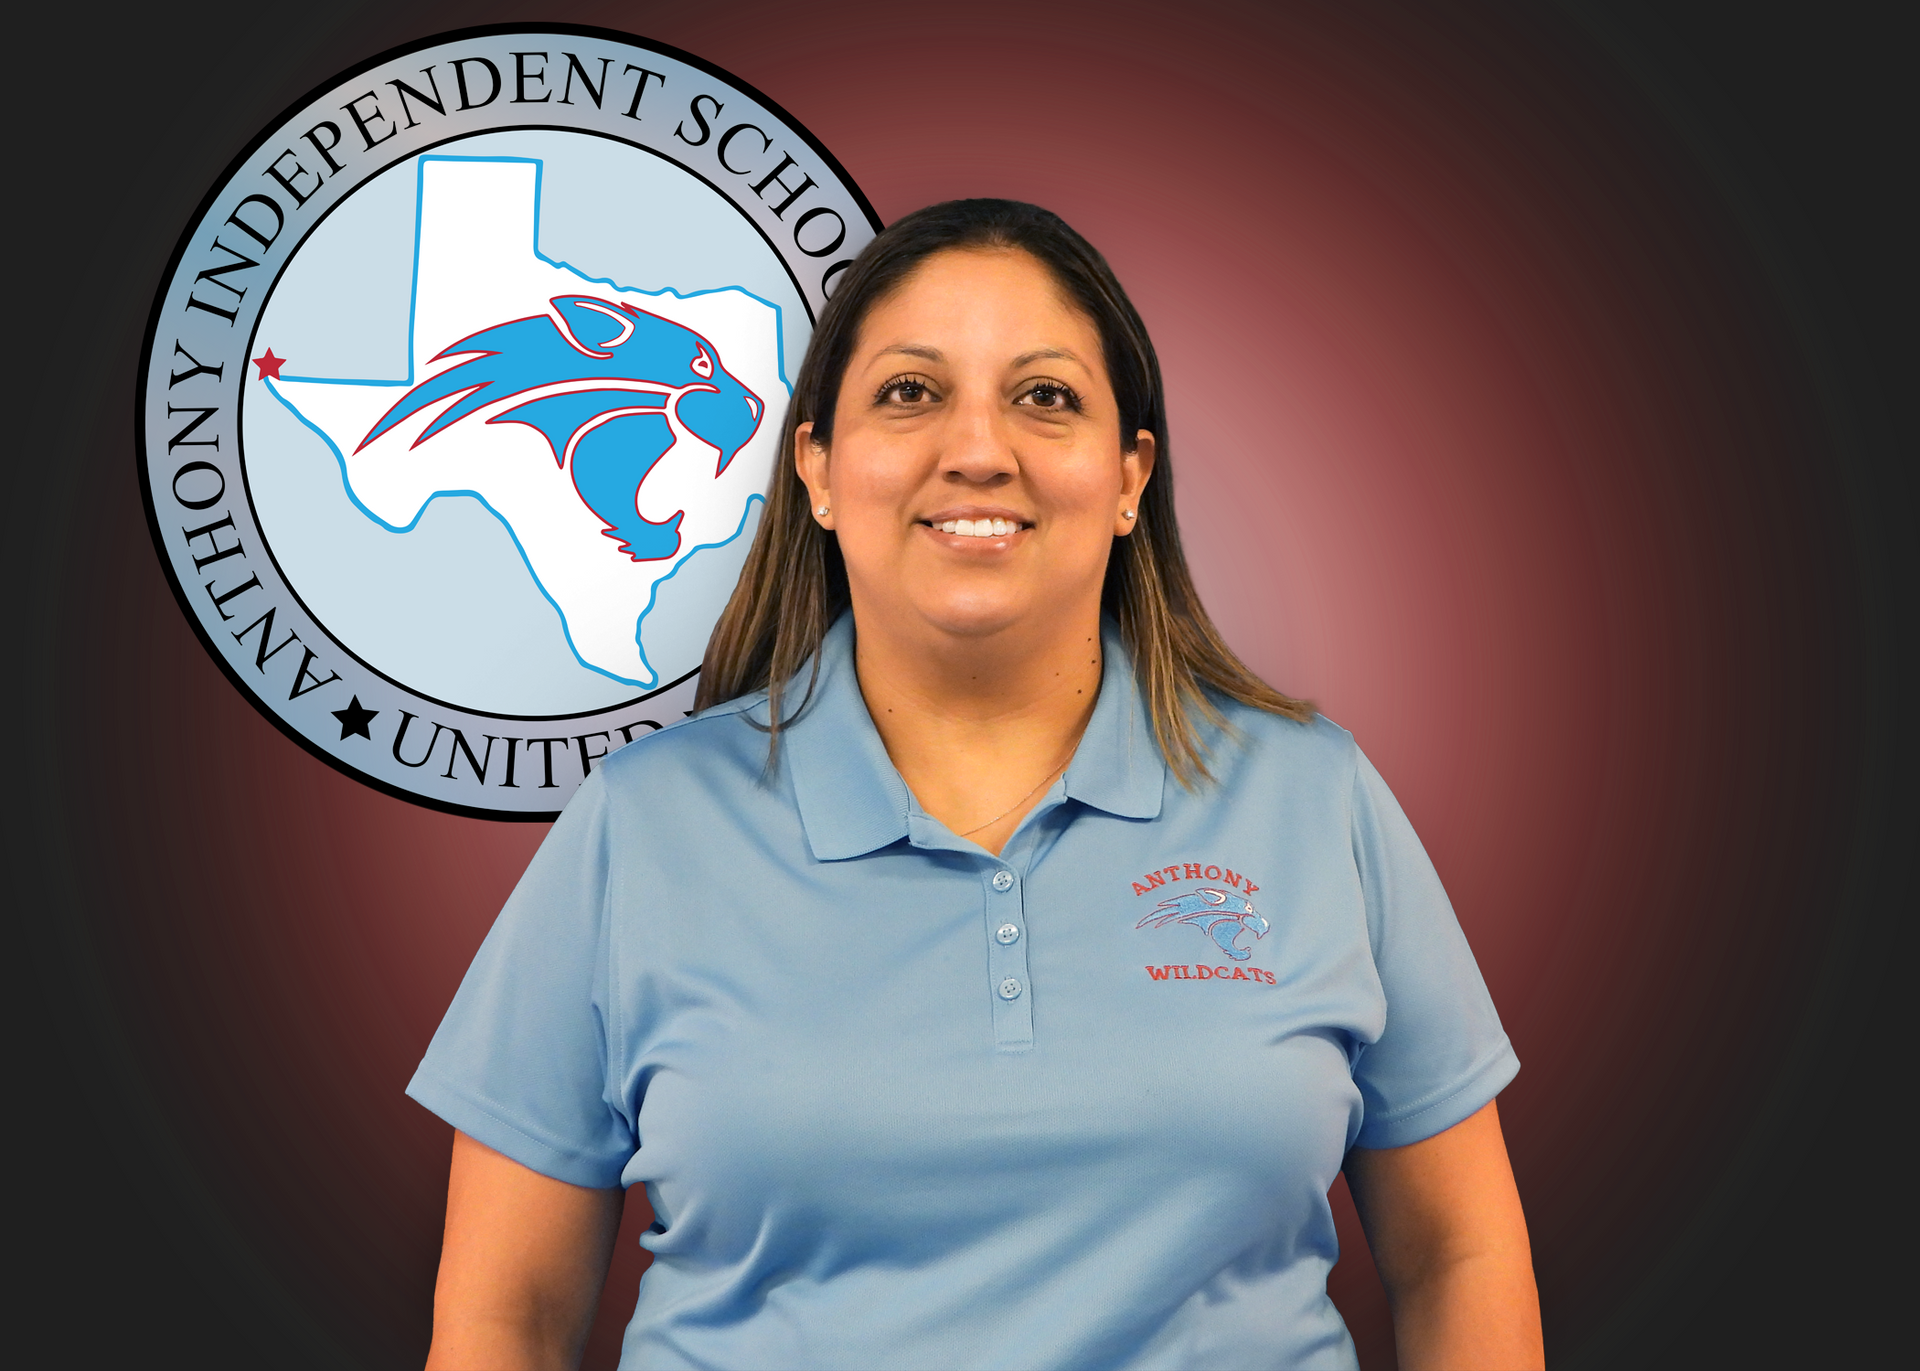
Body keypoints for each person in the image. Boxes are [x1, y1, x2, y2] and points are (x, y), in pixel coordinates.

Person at [409, 199, 1543, 1371]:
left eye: (1046, 396)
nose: (979, 449)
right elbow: (506, 1316)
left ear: (1130, 475)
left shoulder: (1314, 800)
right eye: (910, 392)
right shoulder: (642, 824)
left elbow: (1459, 1255)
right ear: (818, 469)